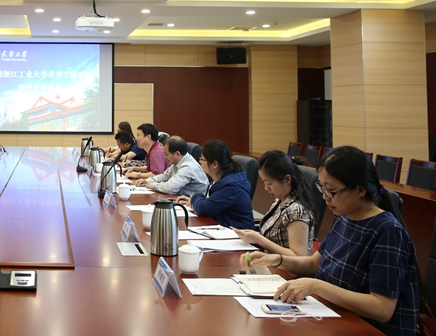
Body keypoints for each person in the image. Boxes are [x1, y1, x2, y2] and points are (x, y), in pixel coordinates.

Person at [240, 146, 421, 336]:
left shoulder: (387, 231)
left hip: (367, 328)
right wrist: (275, 259)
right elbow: (313, 264)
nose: (325, 197)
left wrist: (316, 286)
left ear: (360, 190)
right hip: (335, 317)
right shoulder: (345, 218)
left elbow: (382, 308)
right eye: (322, 188)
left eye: (332, 191)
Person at [232, 150, 316, 256]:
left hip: (284, 266)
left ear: (287, 179)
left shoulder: (296, 210)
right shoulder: (279, 200)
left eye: (269, 183)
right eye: (264, 182)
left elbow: (299, 257)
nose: (266, 188)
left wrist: (260, 239)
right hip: (270, 260)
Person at [175, 139, 254, 229]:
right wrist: (193, 201)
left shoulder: (231, 187)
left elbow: (203, 209)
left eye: (202, 159)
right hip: (222, 228)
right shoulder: (219, 180)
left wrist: (195, 197)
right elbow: (209, 203)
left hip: (237, 234)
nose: (200, 162)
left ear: (215, 164)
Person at [136, 136, 207, 197]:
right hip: (181, 198)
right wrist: (147, 181)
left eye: (166, 154)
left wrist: (154, 185)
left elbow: (170, 188)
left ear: (177, 154)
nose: (164, 157)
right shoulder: (178, 162)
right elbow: (164, 176)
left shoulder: (188, 167)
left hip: (193, 204)